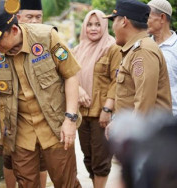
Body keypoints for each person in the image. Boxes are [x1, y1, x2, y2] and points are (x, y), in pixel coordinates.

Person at [0, 1, 82, 187]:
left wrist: (70, 119)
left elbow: (71, 75)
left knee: (66, 182)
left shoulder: (46, 37)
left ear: (13, 30)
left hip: (55, 126)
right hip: (19, 132)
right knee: (27, 184)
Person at [0, 0, 47, 187]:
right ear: (18, 18)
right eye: (29, 16)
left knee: (42, 161)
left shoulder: (48, 40)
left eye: (38, 17)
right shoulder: (0, 45)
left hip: (43, 118)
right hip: (11, 118)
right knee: (8, 156)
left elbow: (67, 73)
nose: (35, 21)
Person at [73, 10, 121, 188]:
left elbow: (117, 81)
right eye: (89, 24)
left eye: (98, 24)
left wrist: (107, 109)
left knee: (101, 161)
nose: (93, 28)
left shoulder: (112, 48)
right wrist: (77, 89)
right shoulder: (77, 50)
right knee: (88, 158)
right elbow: (68, 77)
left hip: (101, 113)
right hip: (81, 113)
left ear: (105, 26)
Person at [105, 0, 172, 115]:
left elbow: (143, 105)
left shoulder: (142, 51)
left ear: (124, 21)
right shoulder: (135, 49)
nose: (112, 28)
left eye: (114, 20)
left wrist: (133, 132)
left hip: (145, 131)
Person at [147, 0, 177, 116]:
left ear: (162, 18)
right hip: (147, 121)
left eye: (148, 17)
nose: (144, 21)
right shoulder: (143, 45)